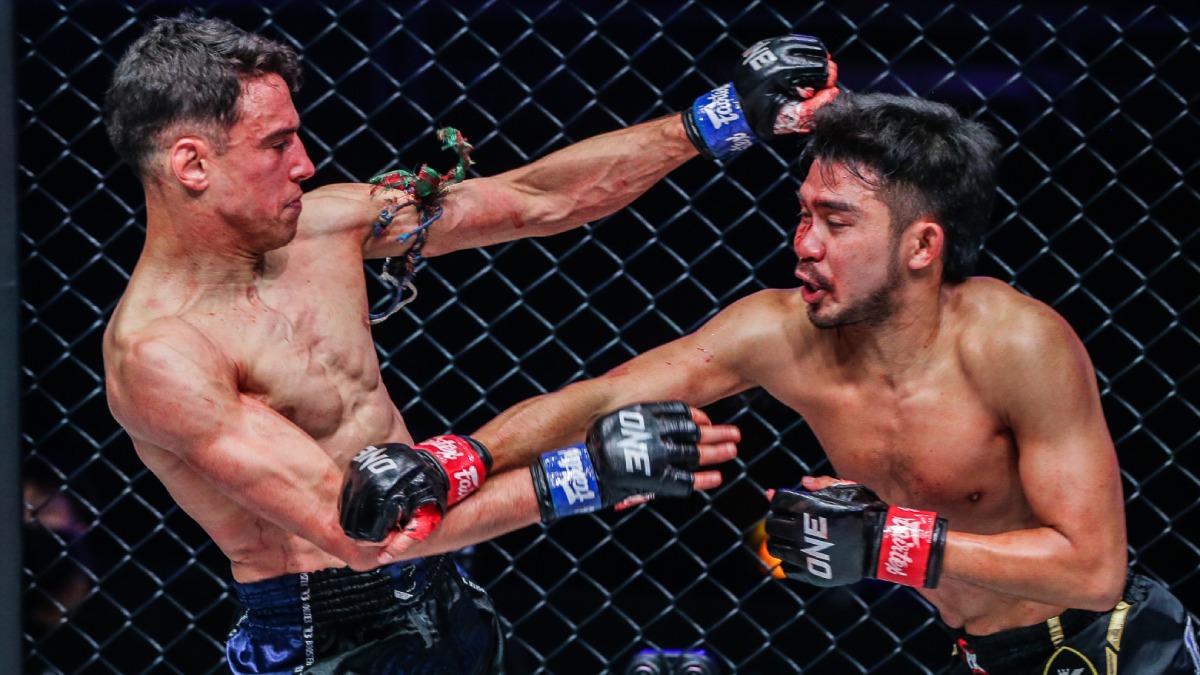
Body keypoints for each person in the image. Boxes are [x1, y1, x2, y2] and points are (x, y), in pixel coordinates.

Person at [100, 11, 837, 674]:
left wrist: (718, 117)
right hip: (327, 638)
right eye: (276, 144)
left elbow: (536, 199)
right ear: (192, 164)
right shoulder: (161, 356)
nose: (305, 162)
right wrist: (585, 473)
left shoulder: (324, 225)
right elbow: (362, 532)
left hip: (449, 588)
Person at [473, 92, 1200, 673]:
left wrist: (884, 541)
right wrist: (459, 461)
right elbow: (603, 398)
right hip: (977, 653)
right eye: (803, 214)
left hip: (1116, 646)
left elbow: (1091, 569)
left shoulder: (1018, 343)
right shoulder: (779, 332)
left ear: (922, 244)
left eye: (837, 221)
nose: (804, 243)